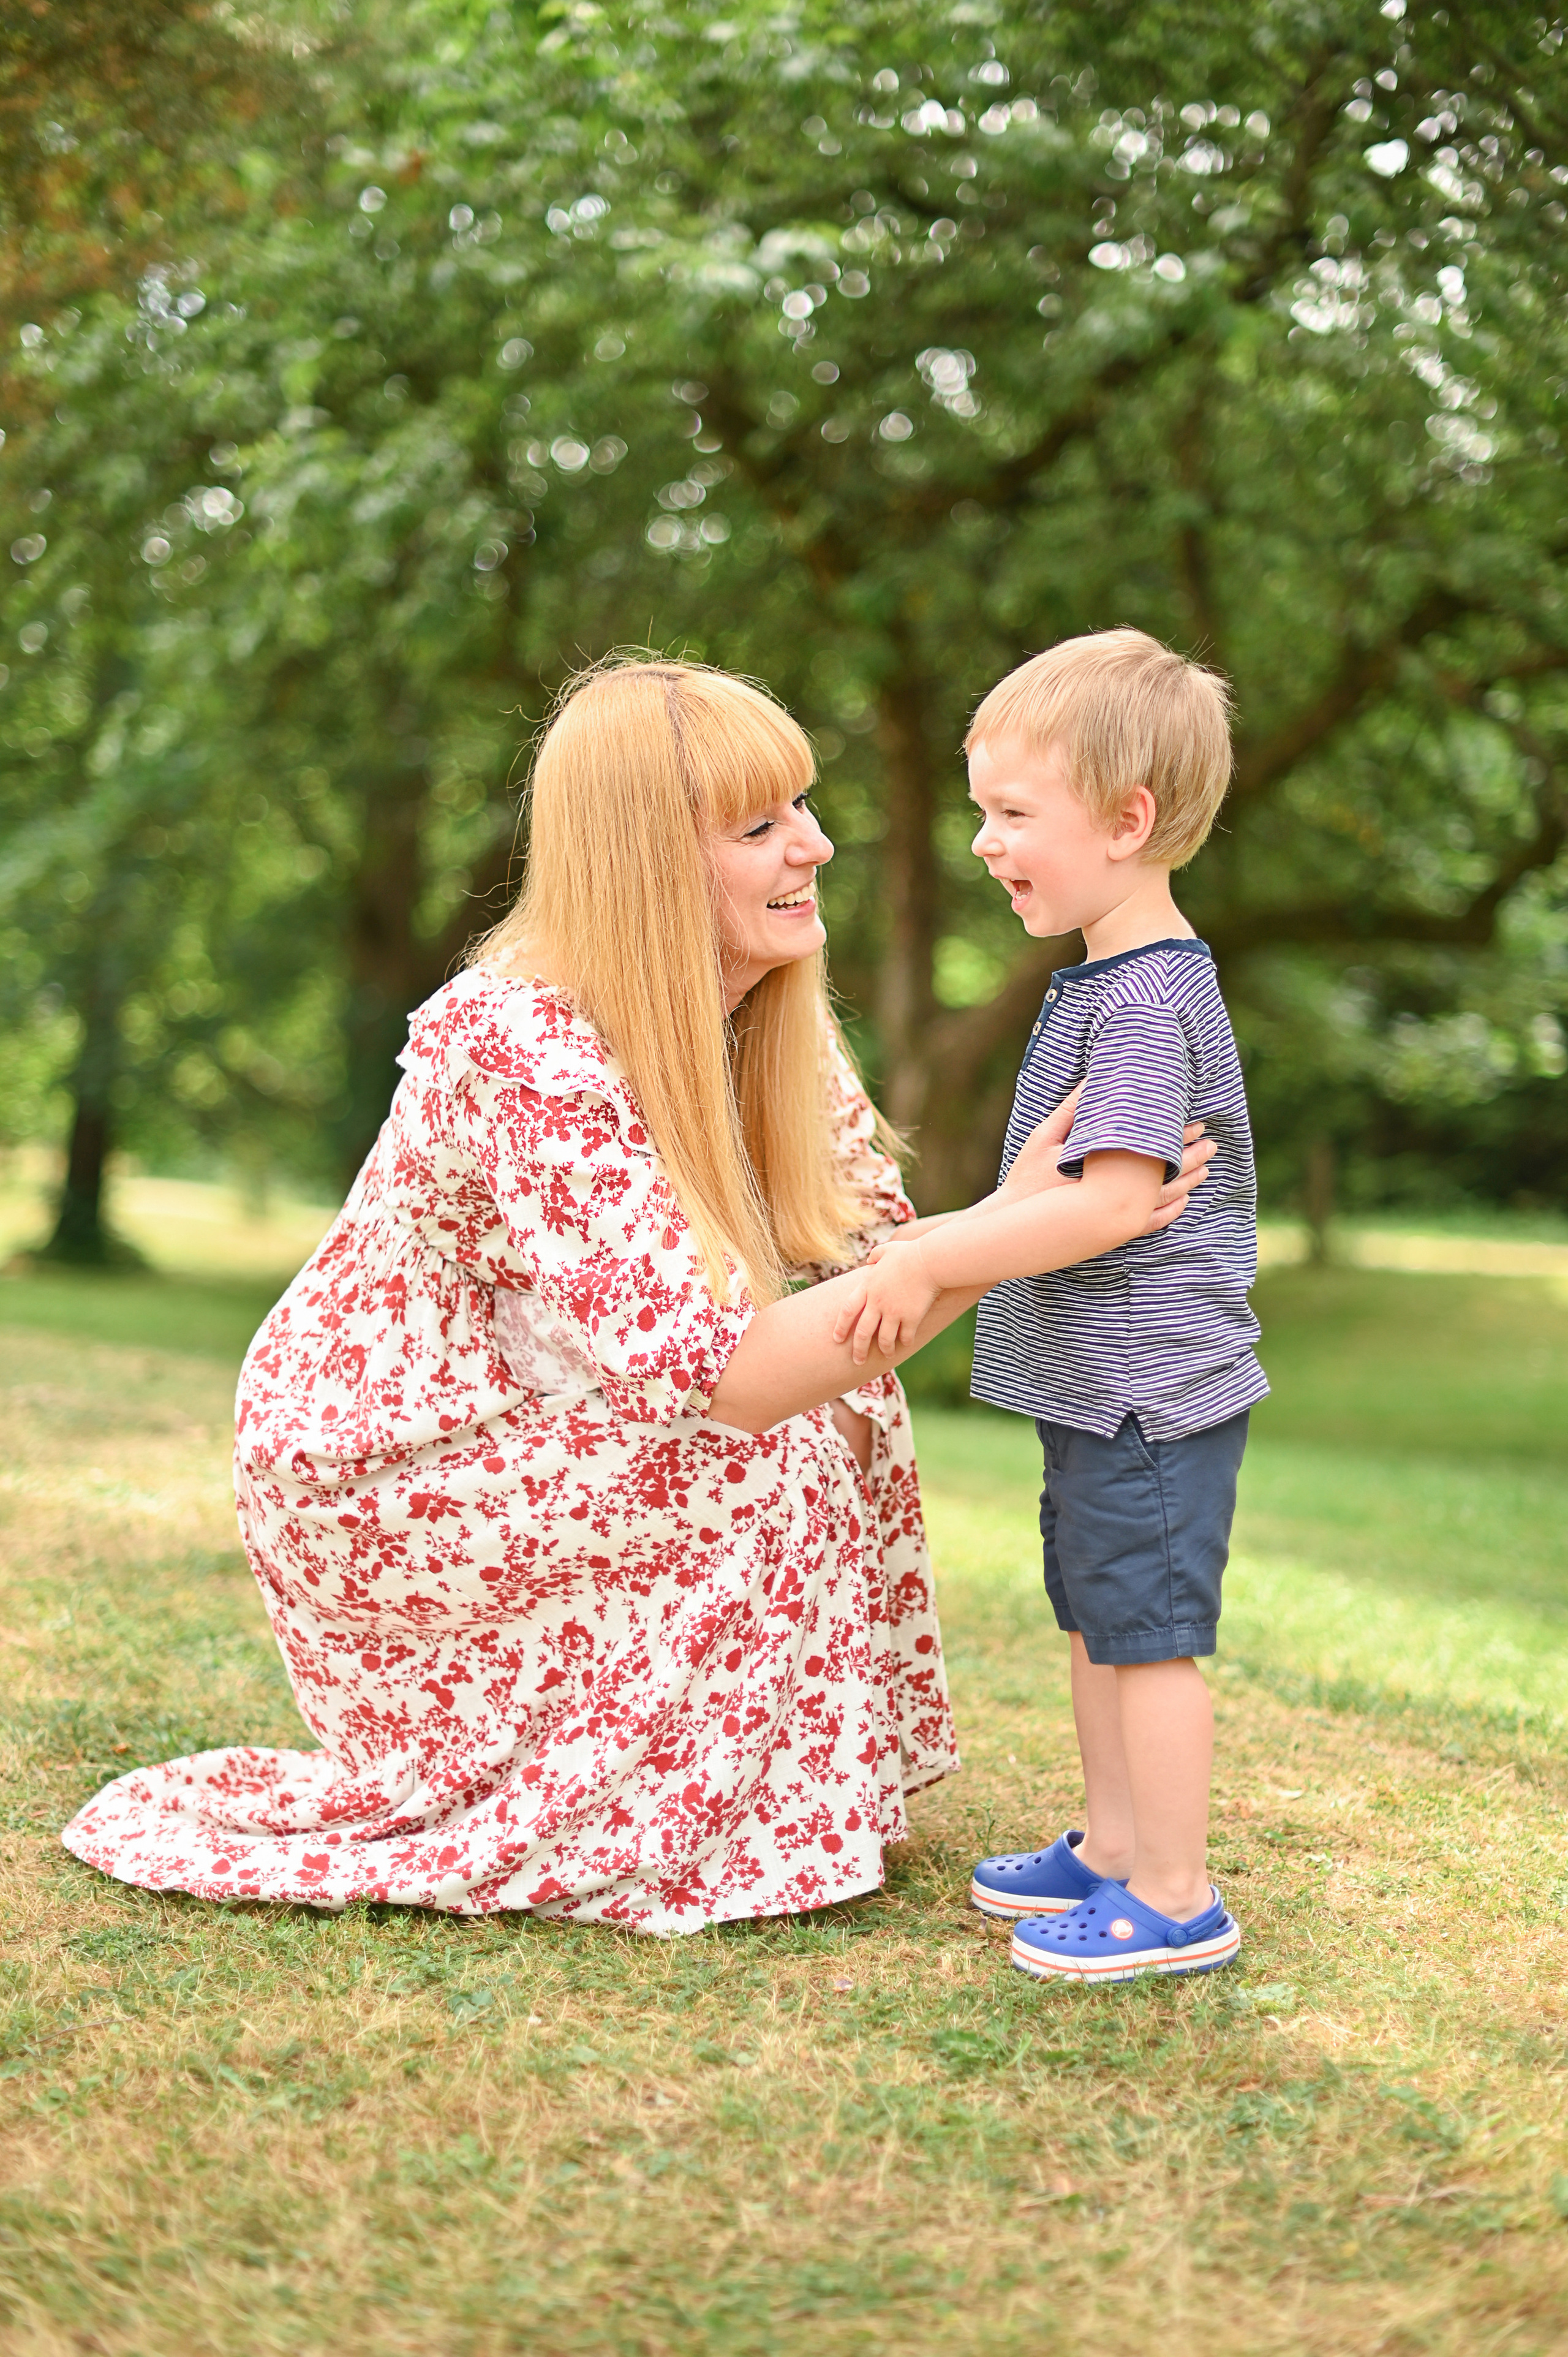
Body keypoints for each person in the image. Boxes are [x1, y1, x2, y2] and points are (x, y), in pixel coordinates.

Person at [62, 655, 1214, 1935]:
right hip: (396, 1459)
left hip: (570, 1406)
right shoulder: (518, 1040)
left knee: (847, 1409)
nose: (815, 846)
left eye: (805, 807)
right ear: (648, 859)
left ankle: (755, 1792)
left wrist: (991, 1233)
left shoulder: (762, 1007)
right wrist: (1010, 1234)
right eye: (761, 825)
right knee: (756, 1446)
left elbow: (862, 1270)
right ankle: (641, 1804)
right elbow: (731, 1375)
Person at [833, 629, 1267, 1982]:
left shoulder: (1143, 1000)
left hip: (1147, 1392)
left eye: (1011, 813)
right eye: (978, 811)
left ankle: (1176, 1893)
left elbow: (1108, 1201)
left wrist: (928, 1263)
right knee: (1096, 1617)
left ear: (1127, 821)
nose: (982, 843)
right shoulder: (1115, 977)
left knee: (1146, 1638)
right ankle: (1116, 1845)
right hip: (1099, 1387)